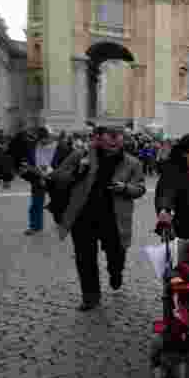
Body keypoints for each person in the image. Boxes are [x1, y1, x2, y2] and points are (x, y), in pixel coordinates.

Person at [51, 125, 146, 310]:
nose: (115, 140)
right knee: (85, 257)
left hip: (114, 218)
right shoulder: (80, 155)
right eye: (110, 136)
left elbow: (140, 188)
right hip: (83, 216)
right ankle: (90, 296)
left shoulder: (132, 162)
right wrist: (78, 172)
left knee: (117, 254)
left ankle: (115, 272)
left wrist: (125, 188)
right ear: (98, 138)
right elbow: (57, 176)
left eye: (119, 136)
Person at [22, 127, 57, 234]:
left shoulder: (59, 147)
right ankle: (35, 226)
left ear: (49, 136)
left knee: (59, 202)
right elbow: (27, 162)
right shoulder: (31, 147)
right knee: (36, 203)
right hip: (37, 179)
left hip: (55, 179)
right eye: (41, 139)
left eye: (45, 138)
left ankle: (62, 221)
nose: (43, 141)